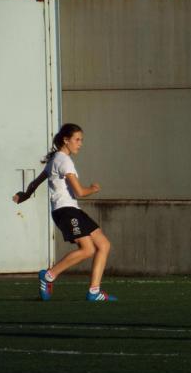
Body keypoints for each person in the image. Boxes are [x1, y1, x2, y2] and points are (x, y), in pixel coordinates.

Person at [13, 123, 117, 302]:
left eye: (81, 140)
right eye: (77, 140)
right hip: (66, 211)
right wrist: (92, 188)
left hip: (71, 209)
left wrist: (25, 195)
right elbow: (79, 192)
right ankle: (49, 276)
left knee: (104, 245)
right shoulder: (64, 161)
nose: (80, 144)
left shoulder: (55, 160)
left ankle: (94, 291)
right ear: (66, 140)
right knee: (88, 249)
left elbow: (35, 183)